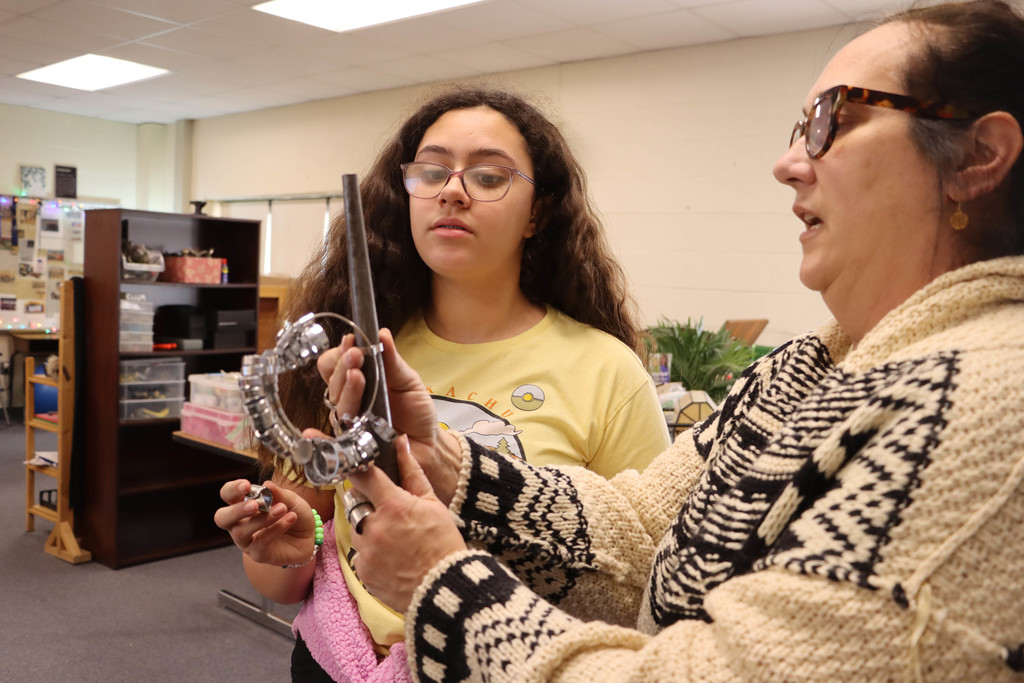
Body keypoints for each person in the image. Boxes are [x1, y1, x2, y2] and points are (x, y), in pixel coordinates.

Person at [283, 1, 1024, 680]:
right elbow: (641, 531)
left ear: (976, 158)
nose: (788, 162)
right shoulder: (807, 367)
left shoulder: (988, 401)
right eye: (799, 129)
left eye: (832, 119)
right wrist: (445, 462)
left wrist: (441, 582)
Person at [216, 86, 670, 681]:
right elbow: (288, 571)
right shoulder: (354, 353)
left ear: (537, 213)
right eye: (431, 171)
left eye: (488, 177)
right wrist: (287, 542)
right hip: (337, 662)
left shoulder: (606, 372)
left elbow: (646, 579)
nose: (452, 190)